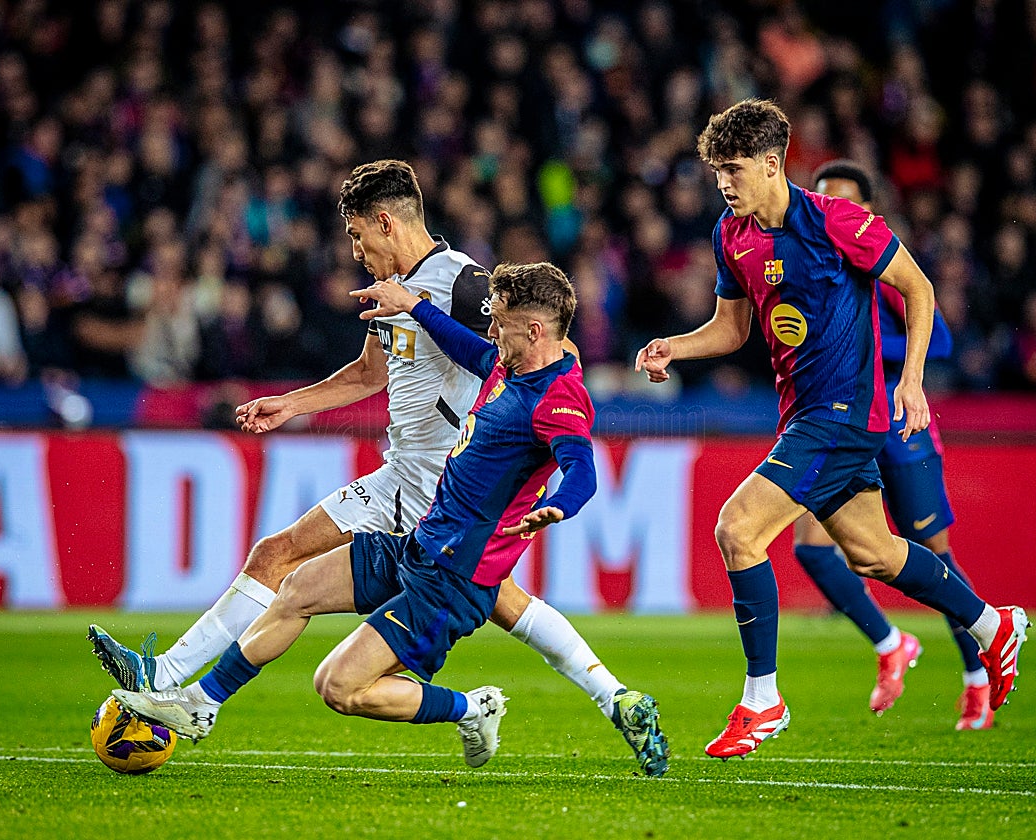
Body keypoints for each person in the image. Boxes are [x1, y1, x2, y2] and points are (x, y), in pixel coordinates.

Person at [91, 159, 669, 776]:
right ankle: (605, 699)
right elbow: (369, 374)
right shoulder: (394, 293)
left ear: (385, 222)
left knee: (334, 577)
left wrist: (538, 410)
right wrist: (292, 403)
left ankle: (176, 682)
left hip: (437, 487)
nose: (356, 250)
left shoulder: (463, 284)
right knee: (307, 564)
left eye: (357, 234)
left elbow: (552, 349)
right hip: (411, 478)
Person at [635, 99, 1028, 760]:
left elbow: (919, 288)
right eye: (716, 172)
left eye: (733, 169)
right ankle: (994, 624)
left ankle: (763, 698)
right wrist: (674, 346)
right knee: (875, 554)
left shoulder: (838, 221)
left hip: (843, 417)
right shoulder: (730, 236)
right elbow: (733, 330)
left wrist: (911, 381)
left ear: (771, 162)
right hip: (806, 416)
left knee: (738, 529)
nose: (724, 183)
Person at [111, 262, 600, 769]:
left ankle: (473, 707)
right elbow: (460, 342)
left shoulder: (559, 399)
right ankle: (201, 704)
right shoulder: (505, 367)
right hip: (419, 547)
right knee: (296, 586)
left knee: (339, 688)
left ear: (534, 330)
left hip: (454, 579)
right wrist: (414, 306)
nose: (490, 329)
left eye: (498, 321)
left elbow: (582, 468)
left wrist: (560, 505)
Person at [791, 159, 992, 730]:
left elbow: (944, 341)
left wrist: (870, 354)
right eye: (823, 199)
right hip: (841, 423)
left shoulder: (882, 272)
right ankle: (889, 641)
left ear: (869, 213)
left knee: (934, 555)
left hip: (902, 429)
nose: (833, 210)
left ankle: (978, 675)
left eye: (846, 202)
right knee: (811, 548)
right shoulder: (812, 272)